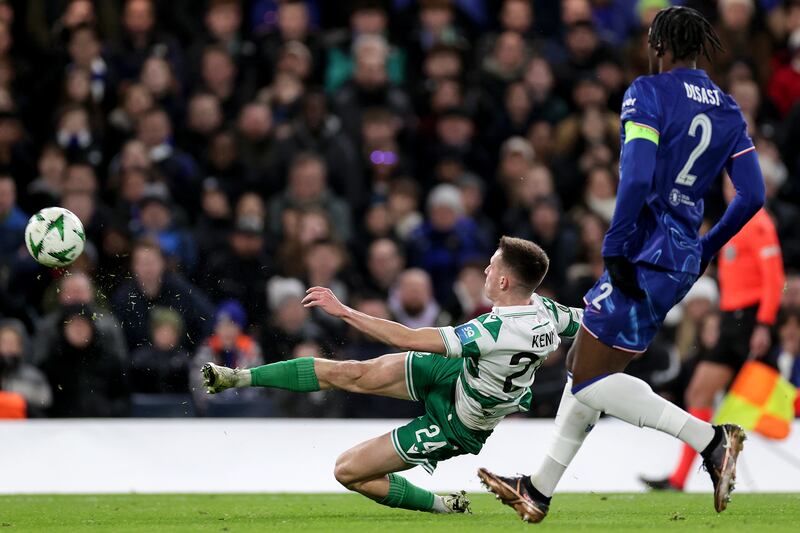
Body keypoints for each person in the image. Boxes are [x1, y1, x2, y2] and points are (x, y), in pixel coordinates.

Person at [479, 6, 765, 521]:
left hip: (643, 251)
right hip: (679, 256)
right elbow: (752, 195)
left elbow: (634, 177)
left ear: (658, 46)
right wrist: (706, 246)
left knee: (588, 378)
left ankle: (711, 440)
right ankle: (538, 490)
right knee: (583, 370)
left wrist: (616, 242)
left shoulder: (647, 93)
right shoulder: (727, 108)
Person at [201, 236, 582, 516]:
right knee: (353, 372)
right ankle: (237, 378)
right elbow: (587, 322)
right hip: (462, 372)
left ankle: (444, 507)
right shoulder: (545, 309)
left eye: (492, 266)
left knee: (348, 471)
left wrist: (345, 311)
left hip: (461, 421)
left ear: (503, 282)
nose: (486, 269)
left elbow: (408, 337)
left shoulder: (494, 330)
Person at [641, 178, 785, 492]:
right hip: (732, 319)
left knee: (710, 394)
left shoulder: (759, 222)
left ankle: (705, 468)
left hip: (748, 320)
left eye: (738, 183)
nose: (732, 189)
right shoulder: (735, 224)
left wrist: (763, 324)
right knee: (701, 394)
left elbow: (774, 278)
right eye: (728, 185)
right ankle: (701, 470)